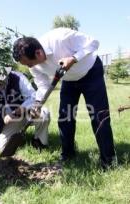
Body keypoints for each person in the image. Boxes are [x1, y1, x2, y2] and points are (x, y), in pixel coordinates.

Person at [13, 27, 116, 168]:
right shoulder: (32, 65)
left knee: (99, 116)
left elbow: (94, 43)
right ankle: (68, 155)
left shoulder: (60, 37)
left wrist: (73, 58)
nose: (30, 67)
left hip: (90, 71)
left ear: (38, 52)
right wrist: (37, 104)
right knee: (65, 118)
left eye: (30, 63)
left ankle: (109, 160)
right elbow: (43, 85)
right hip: (68, 79)